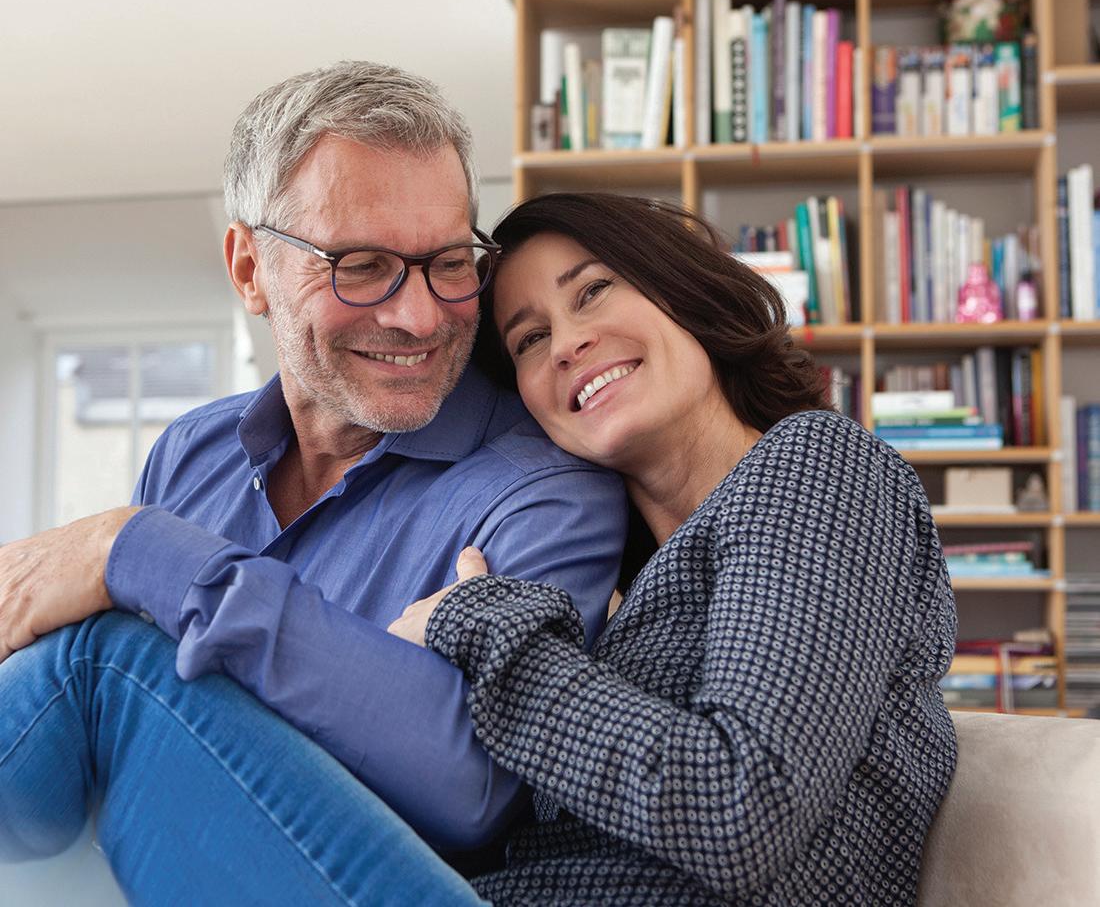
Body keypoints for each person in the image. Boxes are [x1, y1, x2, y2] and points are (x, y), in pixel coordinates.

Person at [0, 64, 627, 902]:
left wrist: (144, 553)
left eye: (449, 262)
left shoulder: (545, 490)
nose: (419, 316)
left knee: (100, 662)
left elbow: (474, 787)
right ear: (249, 268)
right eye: (361, 266)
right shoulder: (190, 452)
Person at [387, 191, 959, 905]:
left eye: (592, 291)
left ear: (682, 291)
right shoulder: (615, 596)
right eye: (529, 339)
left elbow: (743, 810)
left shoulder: (818, 464)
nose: (565, 345)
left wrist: (485, 630)